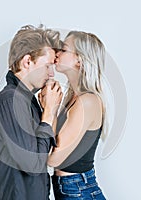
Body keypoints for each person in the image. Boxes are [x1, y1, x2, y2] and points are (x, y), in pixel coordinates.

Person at [0, 25, 63, 200]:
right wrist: (49, 113)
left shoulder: (27, 101)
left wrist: (49, 111)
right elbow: (33, 165)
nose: (52, 74)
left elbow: (44, 155)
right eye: (48, 66)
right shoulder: (9, 101)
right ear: (27, 62)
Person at [41, 31, 108, 199]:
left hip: (79, 191)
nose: (57, 53)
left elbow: (53, 159)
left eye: (63, 49)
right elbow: (53, 143)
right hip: (70, 189)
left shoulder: (88, 102)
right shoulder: (72, 97)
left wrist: (50, 109)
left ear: (79, 59)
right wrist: (52, 108)